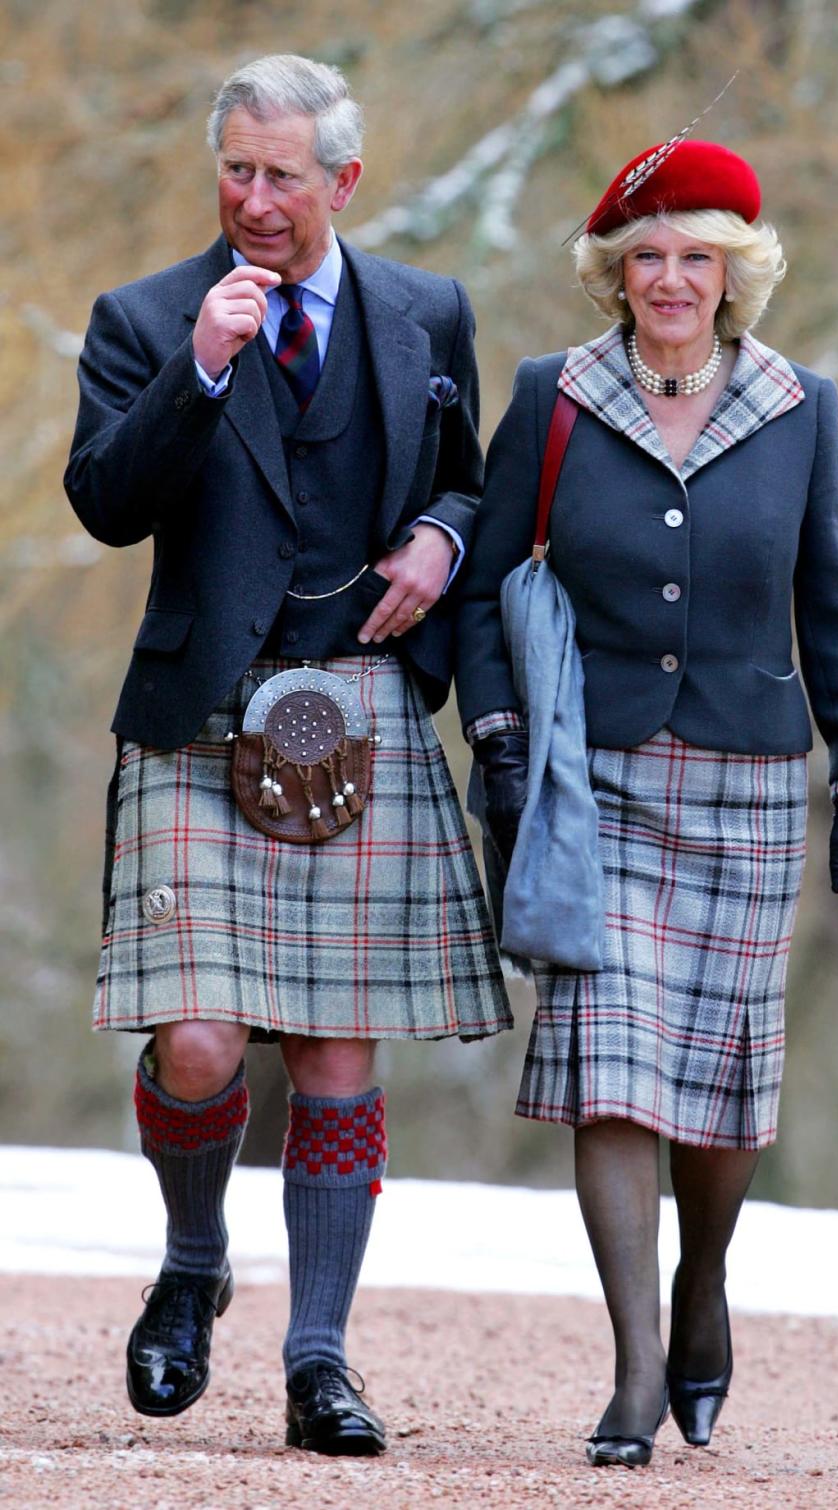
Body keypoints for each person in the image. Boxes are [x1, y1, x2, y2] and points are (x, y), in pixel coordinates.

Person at [65, 53, 511, 1456]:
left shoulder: (427, 311)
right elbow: (104, 503)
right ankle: (193, 1259)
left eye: (284, 176)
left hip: (363, 703)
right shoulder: (146, 319)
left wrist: (445, 534)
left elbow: (464, 474)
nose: (256, 200)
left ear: (345, 181)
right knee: (198, 1043)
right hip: (204, 708)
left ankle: (320, 1361)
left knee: (332, 1052)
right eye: (236, 171)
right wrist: (199, 365)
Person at [456, 138, 838, 1468]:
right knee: (612, 1075)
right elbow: (482, 587)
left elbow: (834, 603)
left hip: (751, 781)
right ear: (613, 273)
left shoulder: (800, 406)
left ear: (734, 270)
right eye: (646, 256)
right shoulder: (556, 398)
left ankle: (705, 1286)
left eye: (695, 255)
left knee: (723, 1098)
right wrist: (501, 733)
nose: (670, 278)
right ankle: (638, 1369)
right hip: (600, 779)